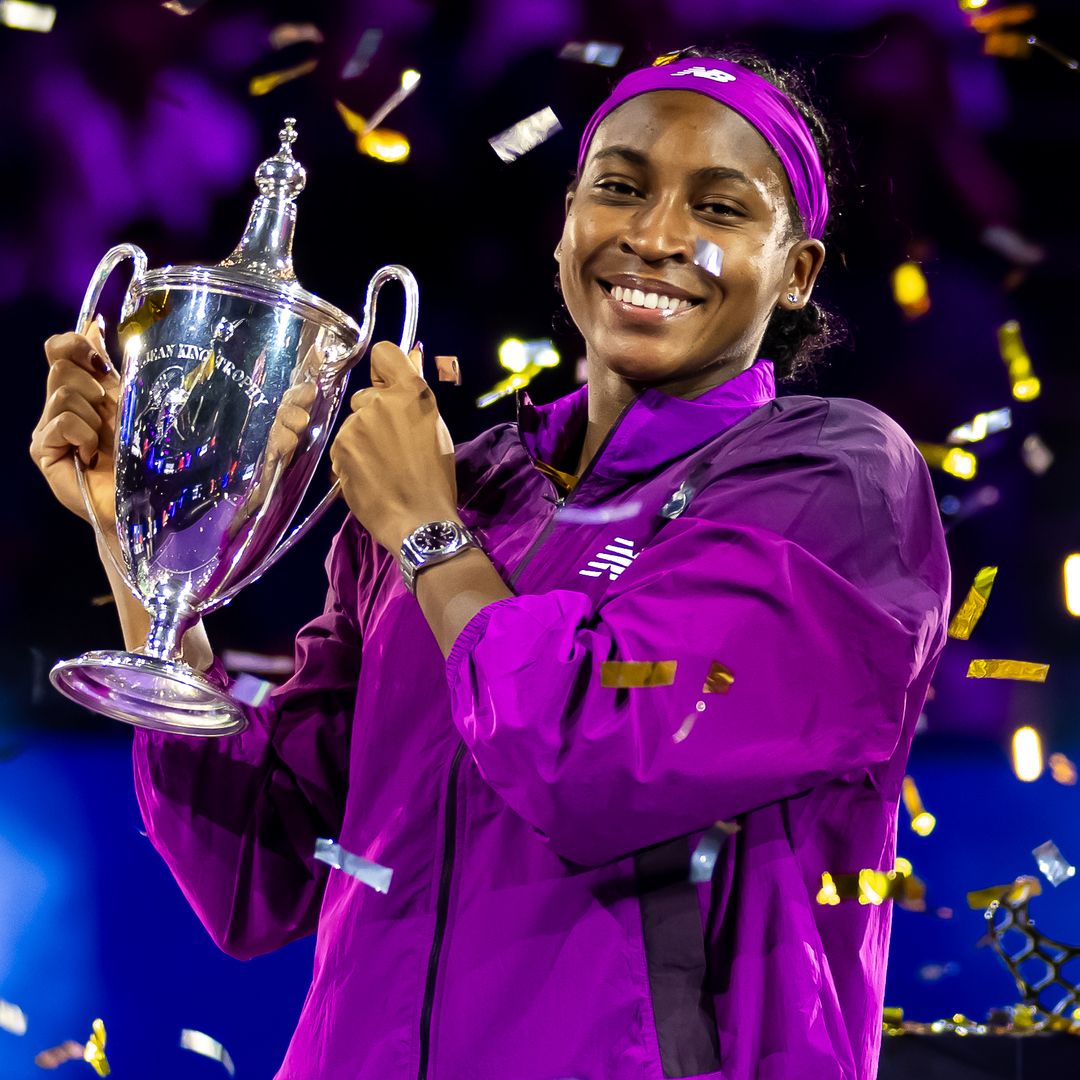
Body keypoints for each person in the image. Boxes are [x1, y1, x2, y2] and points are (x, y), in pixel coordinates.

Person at [31, 47, 950, 1080]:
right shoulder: (464, 485)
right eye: (620, 188)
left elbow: (601, 755)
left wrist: (430, 540)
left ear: (796, 272)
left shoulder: (834, 482)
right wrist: (141, 536)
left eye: (721, 209)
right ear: (567, 221)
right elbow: (259, 868)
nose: (654, 236)